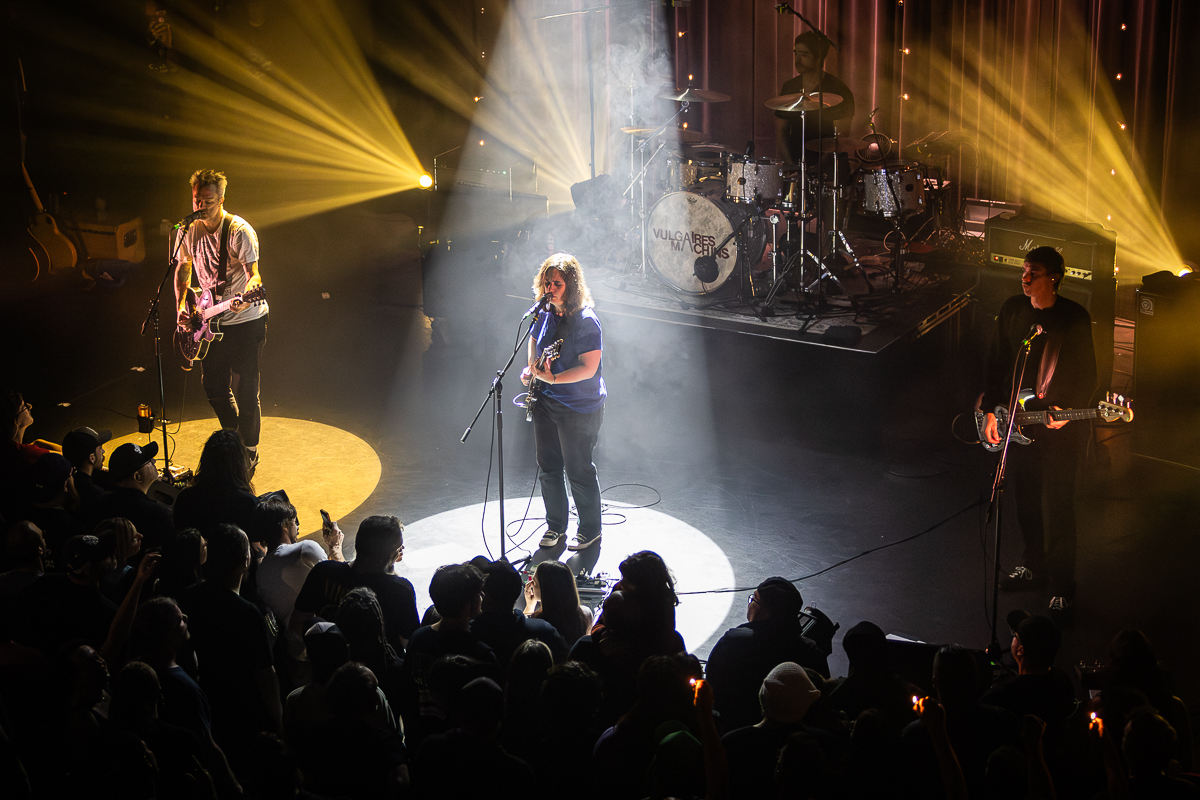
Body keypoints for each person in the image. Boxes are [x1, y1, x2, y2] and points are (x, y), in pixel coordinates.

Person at [980, 245, 1097, 613]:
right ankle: (1033, 566)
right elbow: (996, 360)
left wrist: (1069, 408)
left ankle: (1063, 584)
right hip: (1018, 423)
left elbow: (1089, 373)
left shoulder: (1073, 316)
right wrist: (988, 410)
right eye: (1024, 270)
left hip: (1057, 428)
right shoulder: (1013, 309)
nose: (1025, 278)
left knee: (1059, 503)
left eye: (1034, 272)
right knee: (1024, 498)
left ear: (1054, 277)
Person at [174, 169, 269, 466]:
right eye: (196, 199)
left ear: (222, 199)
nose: (201, 205)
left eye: (208, 200)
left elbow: (254, 275)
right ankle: (234, 438)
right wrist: (181, 303)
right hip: (209, 319)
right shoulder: (187, 230)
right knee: (213, 386)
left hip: (245, 319)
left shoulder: (240, 230)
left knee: (245, 388)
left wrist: (249, 291)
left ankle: (249, 452)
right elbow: (182, 267)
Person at [521, 253, 606, 552]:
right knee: (548, 466)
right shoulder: (543, 312)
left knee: (579, 469)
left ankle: (590, 530)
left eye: (557, 283)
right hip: (546, 402)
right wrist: (532, 368)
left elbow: (589, 368)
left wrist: (553, 379)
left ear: (571, 285)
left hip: (578, 407)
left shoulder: (585, 321)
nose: (550, 288)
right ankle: (556, 527)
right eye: (546, 282)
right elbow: (534, 339)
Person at [705, 577, 830, 732]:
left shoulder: (732, 644)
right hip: (795, 737)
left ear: (764, 613)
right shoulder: (811, 652)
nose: (750, 604)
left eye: (754, 600)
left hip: (734, 731)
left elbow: (711, 688)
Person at [290, 514, 417, 655]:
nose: (402, 548)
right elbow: (408, 641)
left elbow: (297, 623)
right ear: (390, 554)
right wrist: (391, 569)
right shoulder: (400, 590)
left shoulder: (323, 572)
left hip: (330, 665)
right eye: (399, 547)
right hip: (380, 670)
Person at [774, 30, 856, 166]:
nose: (798, 60)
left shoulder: (839, 90)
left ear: (819, 58)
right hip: (795, 163)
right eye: (796, 54)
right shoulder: (790, 87)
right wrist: (790, 165)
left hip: (830, 169)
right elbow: (780, 131)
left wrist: (818, 169)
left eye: (804, 55)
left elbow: (841, 136)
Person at [90, 442, 176, 555]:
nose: (154, 461)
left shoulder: (99, 502)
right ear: (137, 477)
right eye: (148, 461)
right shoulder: (157, 514)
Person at [522, 559, 593, 648]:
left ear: (546, 590)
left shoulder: (538, 623)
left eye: (534, 582)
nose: (531, 584)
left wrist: (529, 608)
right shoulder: (585, 614)